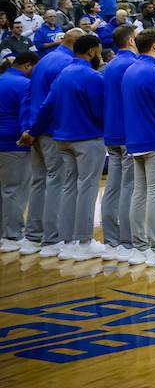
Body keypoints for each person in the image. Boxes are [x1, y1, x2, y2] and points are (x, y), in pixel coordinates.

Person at [25, 33, 106, 260]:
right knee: (87, 190)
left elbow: (46, 106)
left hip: (62, 139)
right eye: (98, 50)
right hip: (87, 139)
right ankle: (84, 242)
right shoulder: (92, 76)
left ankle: (66, 241)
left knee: (68, 188)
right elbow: (100, 112)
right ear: (91, 51)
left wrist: (33, 131)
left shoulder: (62, 75)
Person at [19, 27, 83, 255]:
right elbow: (52, 102)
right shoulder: (65, 64)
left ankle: (33, 236)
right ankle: (52, 239)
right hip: (51, 131)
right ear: (77, 45)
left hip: (35, 130)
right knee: (58, 181)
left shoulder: (45, 59)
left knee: (39, 181)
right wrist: (36, 128)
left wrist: (28, 128)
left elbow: (29, 96)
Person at [122, 28, 155, 267]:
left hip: (134, 139)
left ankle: (138, 246)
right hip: (154, 139)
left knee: (139, 193)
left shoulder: (129, 70)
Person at [99, 25, 138, 262]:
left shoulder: (110, 64)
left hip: (111, 132)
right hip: (127, 133)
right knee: (129, 187)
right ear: (132, 40)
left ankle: (111, 240)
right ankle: (127, 240)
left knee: (112, 187)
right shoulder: (131, 64)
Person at [0, 51, 39, 252]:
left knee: (4, 190)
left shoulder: (2, 79)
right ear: (27, 66)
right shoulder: (24, 84)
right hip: (13, 143)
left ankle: (4, 233)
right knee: (14, 190)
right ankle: (12, 235)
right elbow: (27, 113)